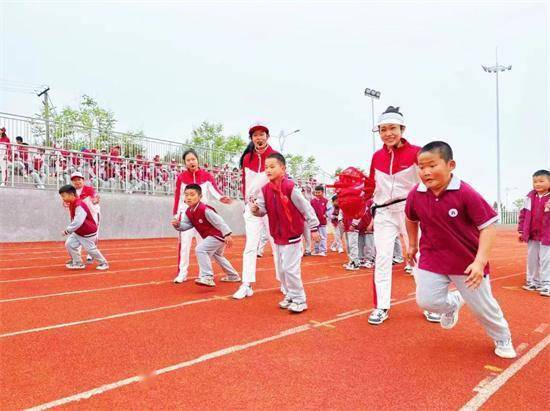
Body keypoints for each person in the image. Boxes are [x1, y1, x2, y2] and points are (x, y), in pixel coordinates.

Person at [406, 141, 516, 359]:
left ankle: (502, 336)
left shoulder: (465, 192)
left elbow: (488, 227)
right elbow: (411, 218)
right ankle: (452, 304)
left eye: (432, 165)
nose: (425, 172)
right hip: (432, 257)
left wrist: (479, 262)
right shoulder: (416, 194)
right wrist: (412, 244)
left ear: (450, 165)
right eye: (421, 166)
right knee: (427, 301)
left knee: (484, 308)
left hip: (466, 262)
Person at [367, 106, 439, 325]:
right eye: (383, 129)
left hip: (410, 213)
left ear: (402, 129)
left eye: (392, 128)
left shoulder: (417, 153)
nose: (388, 133)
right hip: (383, 213)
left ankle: (429, 305)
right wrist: (370, 213)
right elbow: (372, 185)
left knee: (417, 257)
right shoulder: (377, 156)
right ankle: (381, 306)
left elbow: (428, 181)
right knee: (382, 258)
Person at [250, 153, 320, 313]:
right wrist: (256, 210)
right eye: (266, 167)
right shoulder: (265, 189)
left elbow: (305, 208)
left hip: (293, 236)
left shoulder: (290, 187)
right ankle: (290, 295)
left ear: (283, 168)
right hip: (278, 236)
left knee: (290, 269)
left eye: (272, 166)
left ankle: (300, 299)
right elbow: (262, 209)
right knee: (281, 270)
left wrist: (314, 228)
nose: (268, 170)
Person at [233, 123, 280, 300]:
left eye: (262, 135)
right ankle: (246, 284)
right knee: (250, 245)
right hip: (252, 208)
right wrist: (246, 202)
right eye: (255, 136)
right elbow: (246, 182)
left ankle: (283, 281)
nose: (258, 138)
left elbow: (279, 181)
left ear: (267, 137)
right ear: (252, 139)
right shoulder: (247, 158)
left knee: (276, 245)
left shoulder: (276, 156)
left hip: (272, 208)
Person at [172, 149, 232, 284]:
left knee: (202, 245)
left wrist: (221, 197)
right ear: (185, 163)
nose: (191, 162)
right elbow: (177, 197)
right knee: (184, 244)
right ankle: (182, 273)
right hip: (186, 215)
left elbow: (215, 189)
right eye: (188, 160)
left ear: (197, 160)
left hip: (202, 216)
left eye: (193, 159)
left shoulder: (206, 176)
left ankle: (203, 274)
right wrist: (176, 214)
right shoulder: (181, 178)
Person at [171, 184, 240, 287]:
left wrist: (227, 234)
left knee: (200, 249)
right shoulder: (188, 211)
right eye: (186, 195)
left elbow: (219, 221)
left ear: (200, 197)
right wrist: (178, 225)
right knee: (217, 256)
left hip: (217, 235)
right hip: (215, 237)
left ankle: (207, 277)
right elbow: (186, 226)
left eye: (192, 194)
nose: (189, 197)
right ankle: (233, 276)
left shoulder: (205, 209)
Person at [58, 185, 109, 271]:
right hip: (79, 231)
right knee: (69, 244)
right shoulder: (73, 203)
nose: (62, 198)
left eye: (63, 195)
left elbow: (78, 221)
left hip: (87, 232)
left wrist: (67, 230)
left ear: (71, 194)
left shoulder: (79, 205)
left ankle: (103, 263)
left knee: (91, 250)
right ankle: (78, 262)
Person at [518, 169, 550, 296]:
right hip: (532, 234)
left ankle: (547, 284)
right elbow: (523, 214)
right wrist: (521, 230)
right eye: (535, 181)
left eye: (541, 181)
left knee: (546, 259)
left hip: (547, 236)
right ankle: (533, 281)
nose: (537, 184)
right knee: (532, 259)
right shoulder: (529, 197)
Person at [71, 172, 101, 263]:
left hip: (92, 215)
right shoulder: (71, 192)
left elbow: (94, 199)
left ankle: (91, 254)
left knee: (93, 235)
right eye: (75, 180)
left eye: (79, 179)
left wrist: (95, 201)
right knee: (77, 233)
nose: (77, 182)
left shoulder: (89, 189)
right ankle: (77, 256)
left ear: (83, 180)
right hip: (79, 215)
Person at [310, 185, 332, 256]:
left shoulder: (326, 201)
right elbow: (310, 210)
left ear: (322, 192)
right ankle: (316, 250)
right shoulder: (312, 201)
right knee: (315, 236)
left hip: (322, 222)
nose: (317, 194)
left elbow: (330, 209)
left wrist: (326, 215)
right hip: (315, 222)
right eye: (316, 192)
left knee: (322, 236)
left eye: (319, 192)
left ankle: (323, 250)